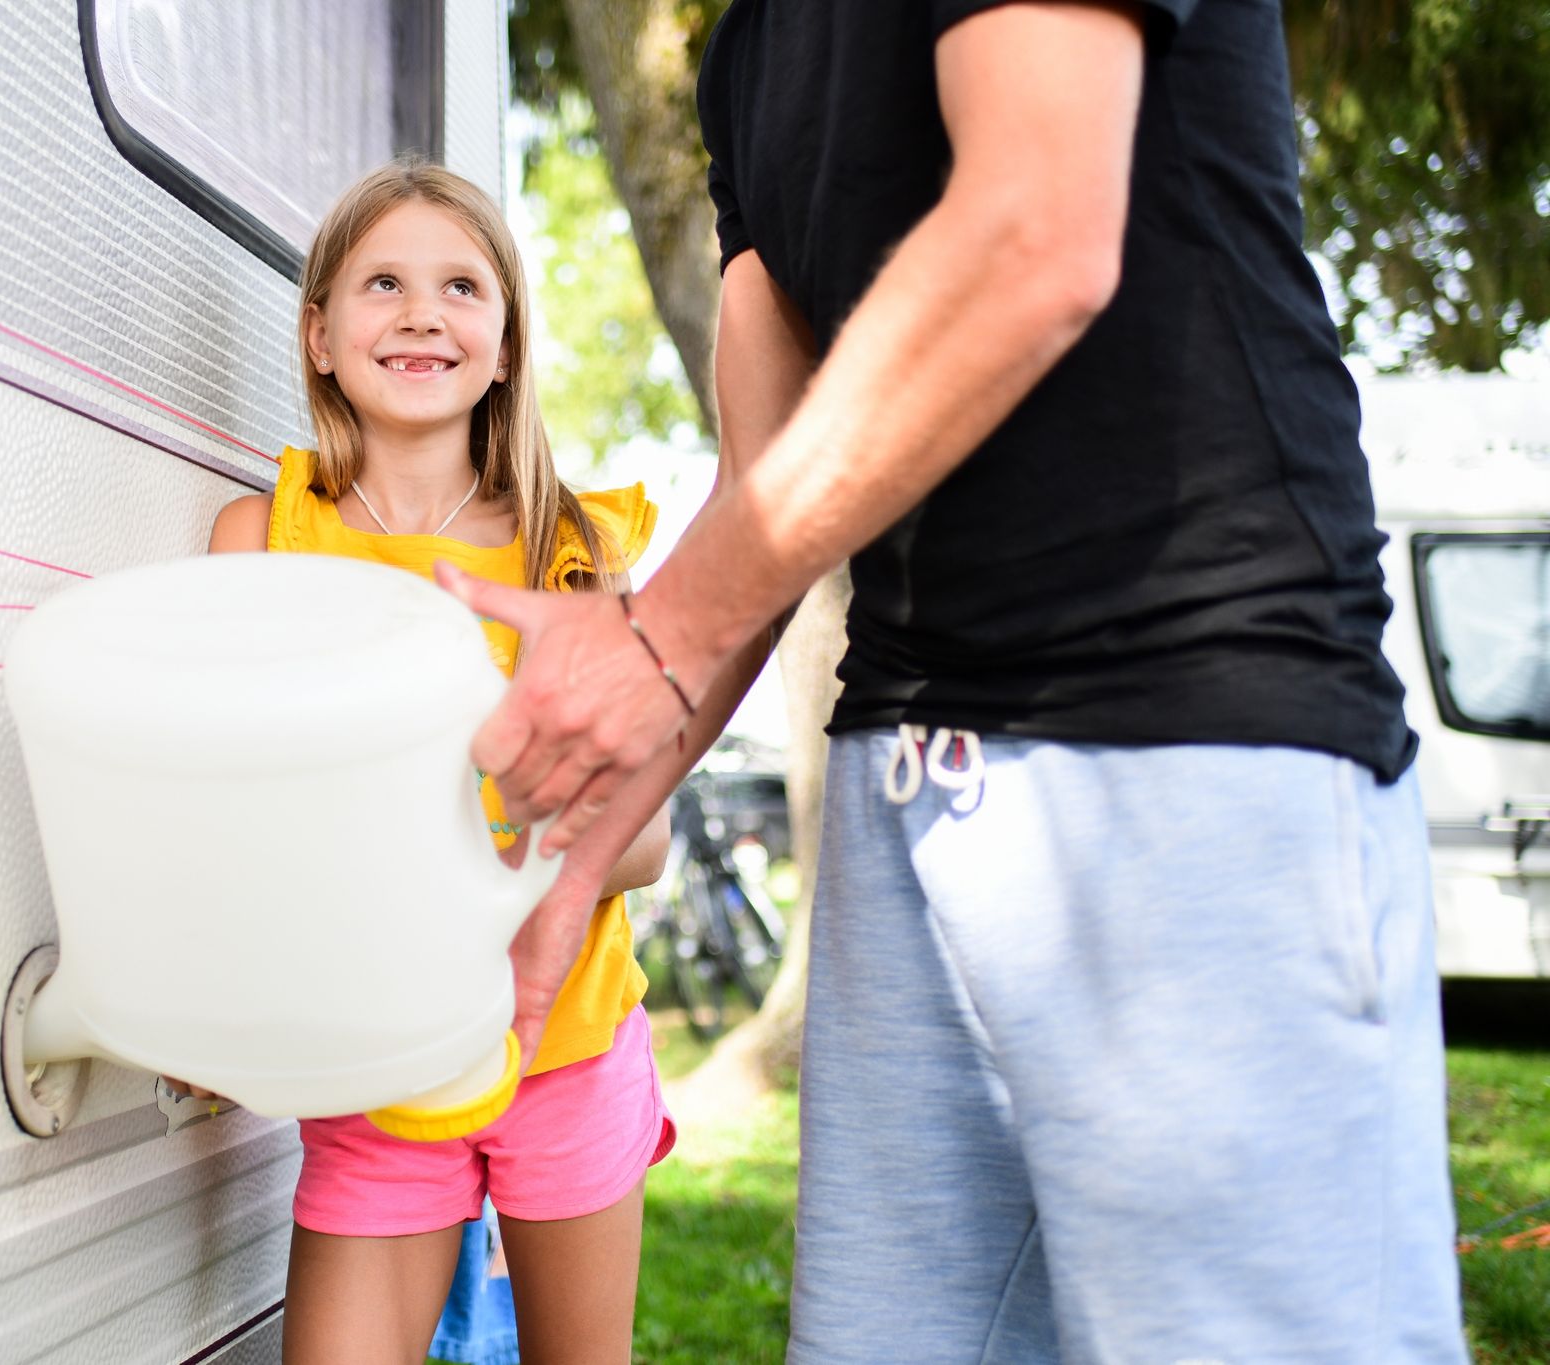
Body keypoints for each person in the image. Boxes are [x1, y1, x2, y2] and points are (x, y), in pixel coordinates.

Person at [437, 2, 1470, 1360]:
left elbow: (1035, 235)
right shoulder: (746, 58)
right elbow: (778, 478)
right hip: (905, 793)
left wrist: (650, 639)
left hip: (1183, 758)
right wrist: (570, 850)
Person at [190, 161, 677, 1365]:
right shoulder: (259, 540)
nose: (419, 313)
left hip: (562, 1045)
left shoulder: (568, 548)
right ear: (317, 333)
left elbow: (647, 835)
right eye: (382, 285)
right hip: (374, 1063)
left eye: (460, 286)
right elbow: (215, 799)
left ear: (504, 345)